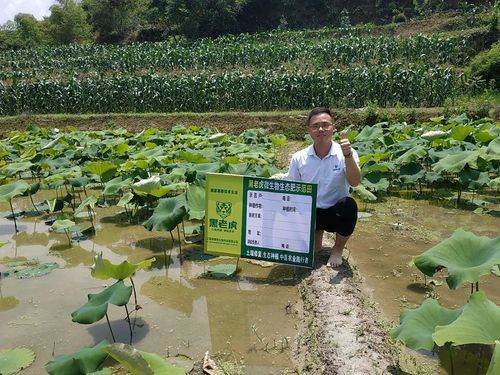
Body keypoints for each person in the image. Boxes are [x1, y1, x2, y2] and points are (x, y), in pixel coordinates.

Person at [287, 107, 361, 267]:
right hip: (310, 213)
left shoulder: (347, 153)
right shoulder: (299, 158)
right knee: (314, 249)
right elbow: (292, 189)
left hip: (336, 212)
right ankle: (316, 238)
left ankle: (337, 249)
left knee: (349, 206)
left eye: (325, 125)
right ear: (309, 130)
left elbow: (355, 182)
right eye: (315, 126)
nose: (320, 129)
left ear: (333, 128)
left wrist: (347, 155)